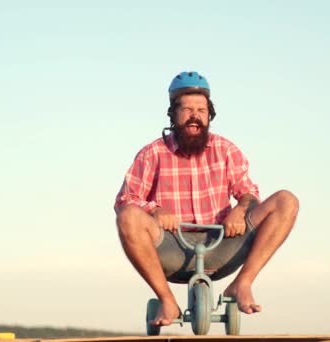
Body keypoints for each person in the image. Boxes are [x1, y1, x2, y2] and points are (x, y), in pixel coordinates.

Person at [114, 71, 299, 327]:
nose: (195, 116)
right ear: (173, 114)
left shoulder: (226, 150)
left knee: (286, 201)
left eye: (201, 110)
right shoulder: (152, 153)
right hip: (172, 249)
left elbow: (248, 192)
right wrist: (154, 210)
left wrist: (240, 208)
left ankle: (242, 284)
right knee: (128, 217)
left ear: (209, 115)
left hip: (221, 243)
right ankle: (166, 300)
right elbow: (125, 200)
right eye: (187, 109)